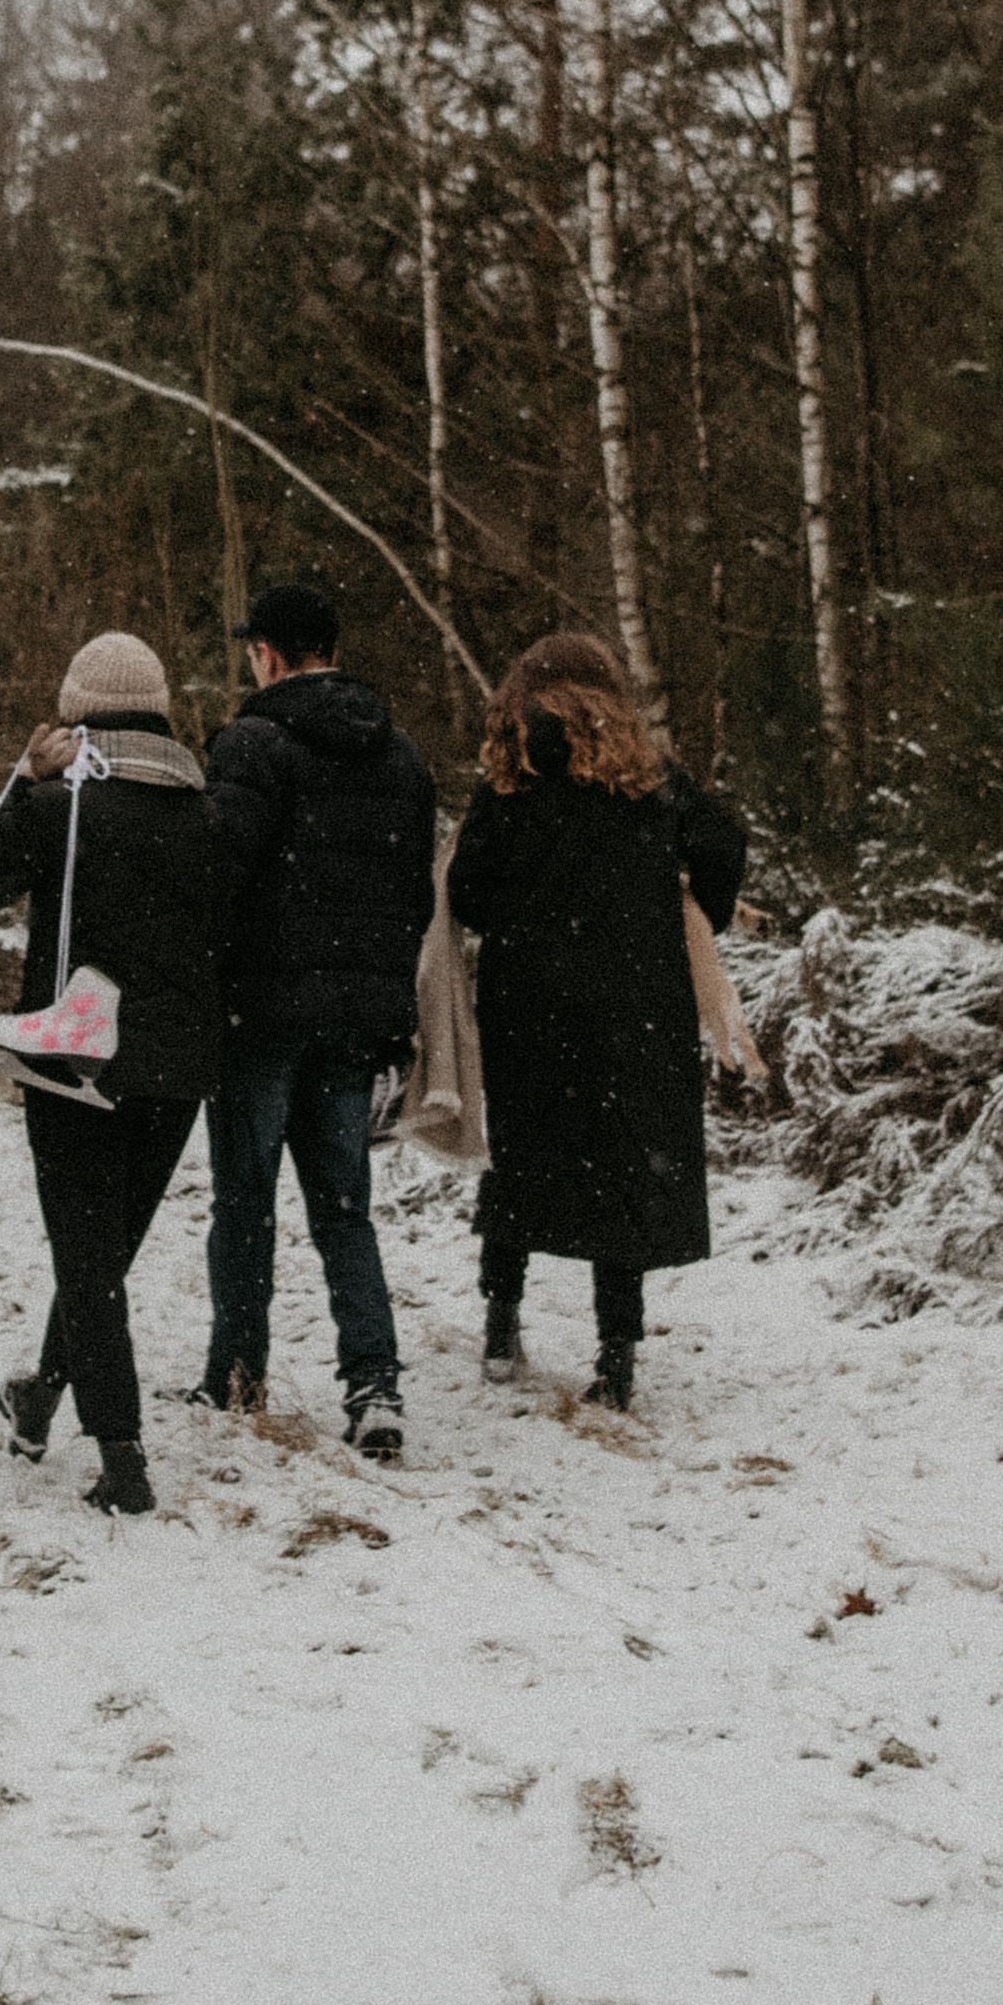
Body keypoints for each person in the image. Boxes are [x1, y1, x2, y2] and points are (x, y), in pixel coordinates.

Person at [0, 631, 233, 1516]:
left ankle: (122, 1459)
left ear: (76, 717)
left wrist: (21, 776)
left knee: (87, 1259)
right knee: (106, 1251)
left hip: (75, 1054)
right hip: (180, 1065)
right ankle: (42, 1391)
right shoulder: (213, 815)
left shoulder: (61, 807)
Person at [446, 630, 747, 1411]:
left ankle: (501, 1322)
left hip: (529, 999)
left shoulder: (509, 779)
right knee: (622, 1164)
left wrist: (523, 911)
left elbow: (468, 890)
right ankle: (616, 1353)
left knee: (519, 1155)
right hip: (634, 1000)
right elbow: (724, 841)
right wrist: (687, 911)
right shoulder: (652, 778)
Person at [193, 579, 436, 1456]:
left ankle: (237, 1374)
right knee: (344, 1210)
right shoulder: (401, 755)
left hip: (259, 1011)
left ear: (268, 652)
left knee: (243, 1200)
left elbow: (218, 871)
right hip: (353, 1017)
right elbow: (415, 898)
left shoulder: (252, 744)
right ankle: (374, 1384)